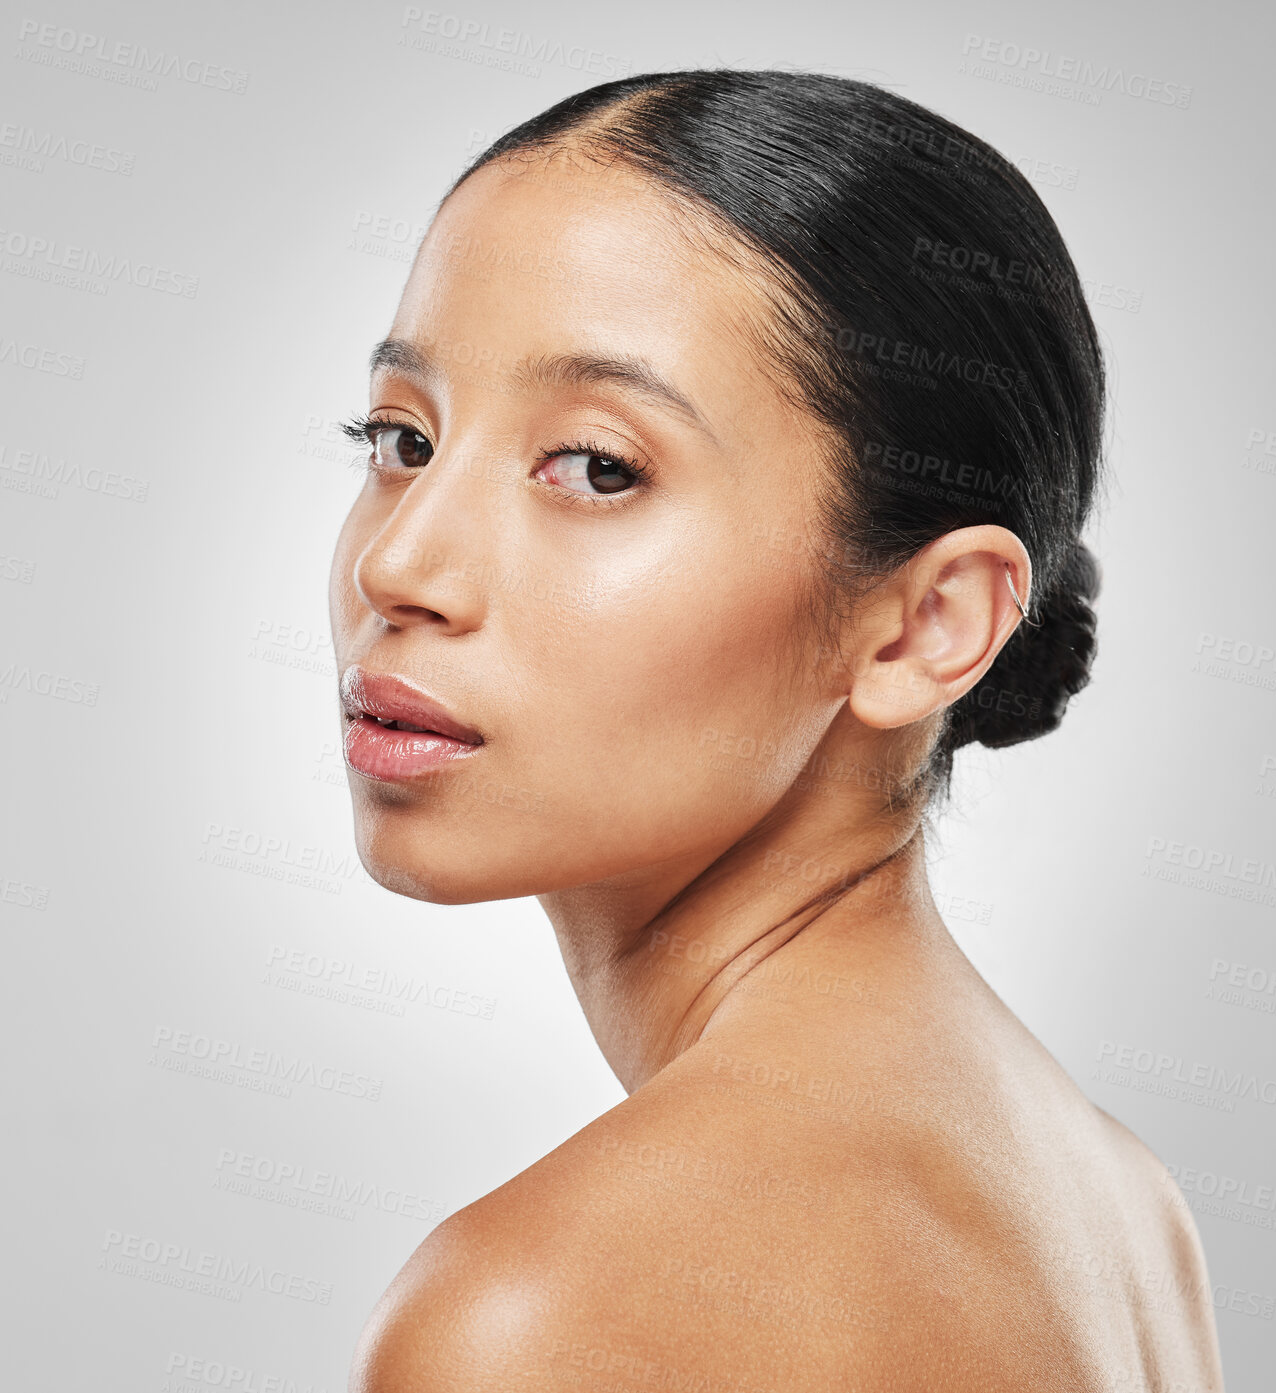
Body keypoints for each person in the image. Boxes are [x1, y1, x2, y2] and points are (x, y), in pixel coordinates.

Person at [331, 68, 1224, 1392]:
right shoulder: (1114, 1208)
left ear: (927, 623)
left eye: (596, 467)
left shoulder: (543, 1314)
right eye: (402, 437)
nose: (400, 562)